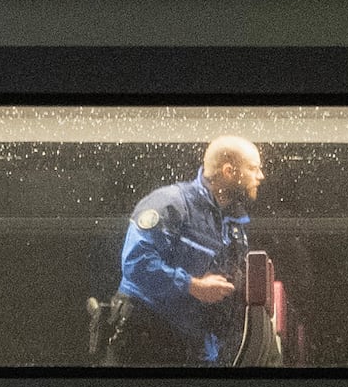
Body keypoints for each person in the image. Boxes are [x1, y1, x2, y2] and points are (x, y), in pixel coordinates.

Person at [102, 135, 266, 366]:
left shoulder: (233, 224)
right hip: (144, 343)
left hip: (191, 348)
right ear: (229, 171)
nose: (260, 176)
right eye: (253, 168)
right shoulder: (170, 203)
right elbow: (136, 264)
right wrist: (192, 286)